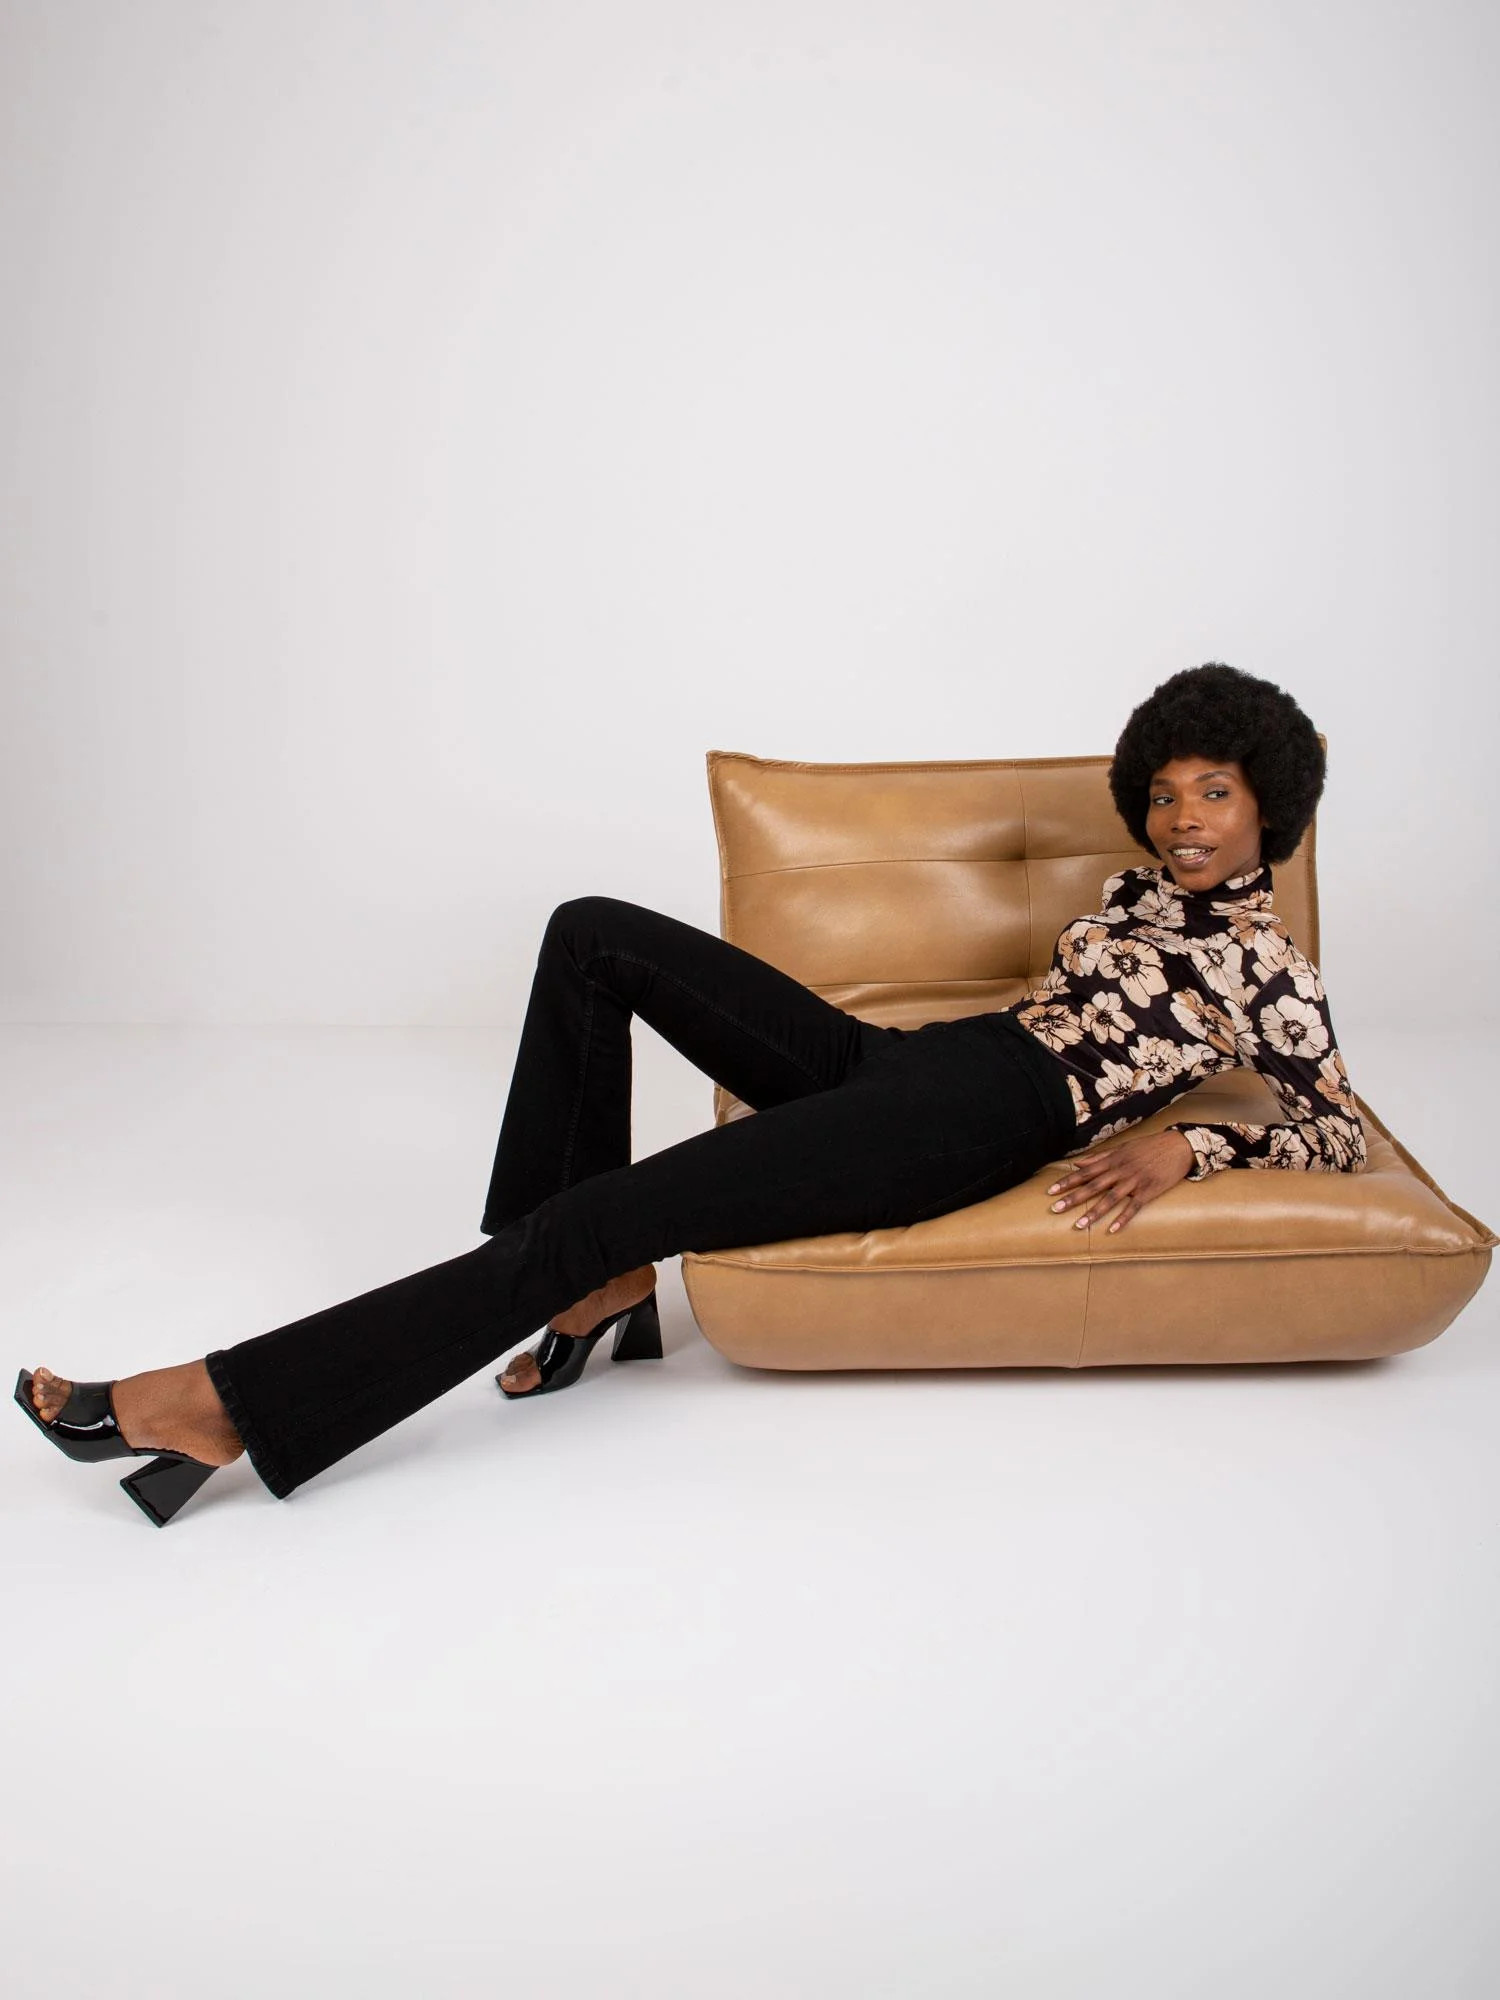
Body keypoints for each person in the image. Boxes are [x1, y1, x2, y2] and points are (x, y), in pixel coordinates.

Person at [15, 662, 1367, 1524]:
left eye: (1217, 792)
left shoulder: (1269, 970)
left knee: (609, 1208)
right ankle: (585, 1285)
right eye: (1168, 793)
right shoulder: (1138, 894)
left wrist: (1190, 1148)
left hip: (968, 1125)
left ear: (1272, 804)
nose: (1185, 818)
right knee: (591, 933)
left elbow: (1333, 1129)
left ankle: (225, 1406)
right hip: (912, 1061)